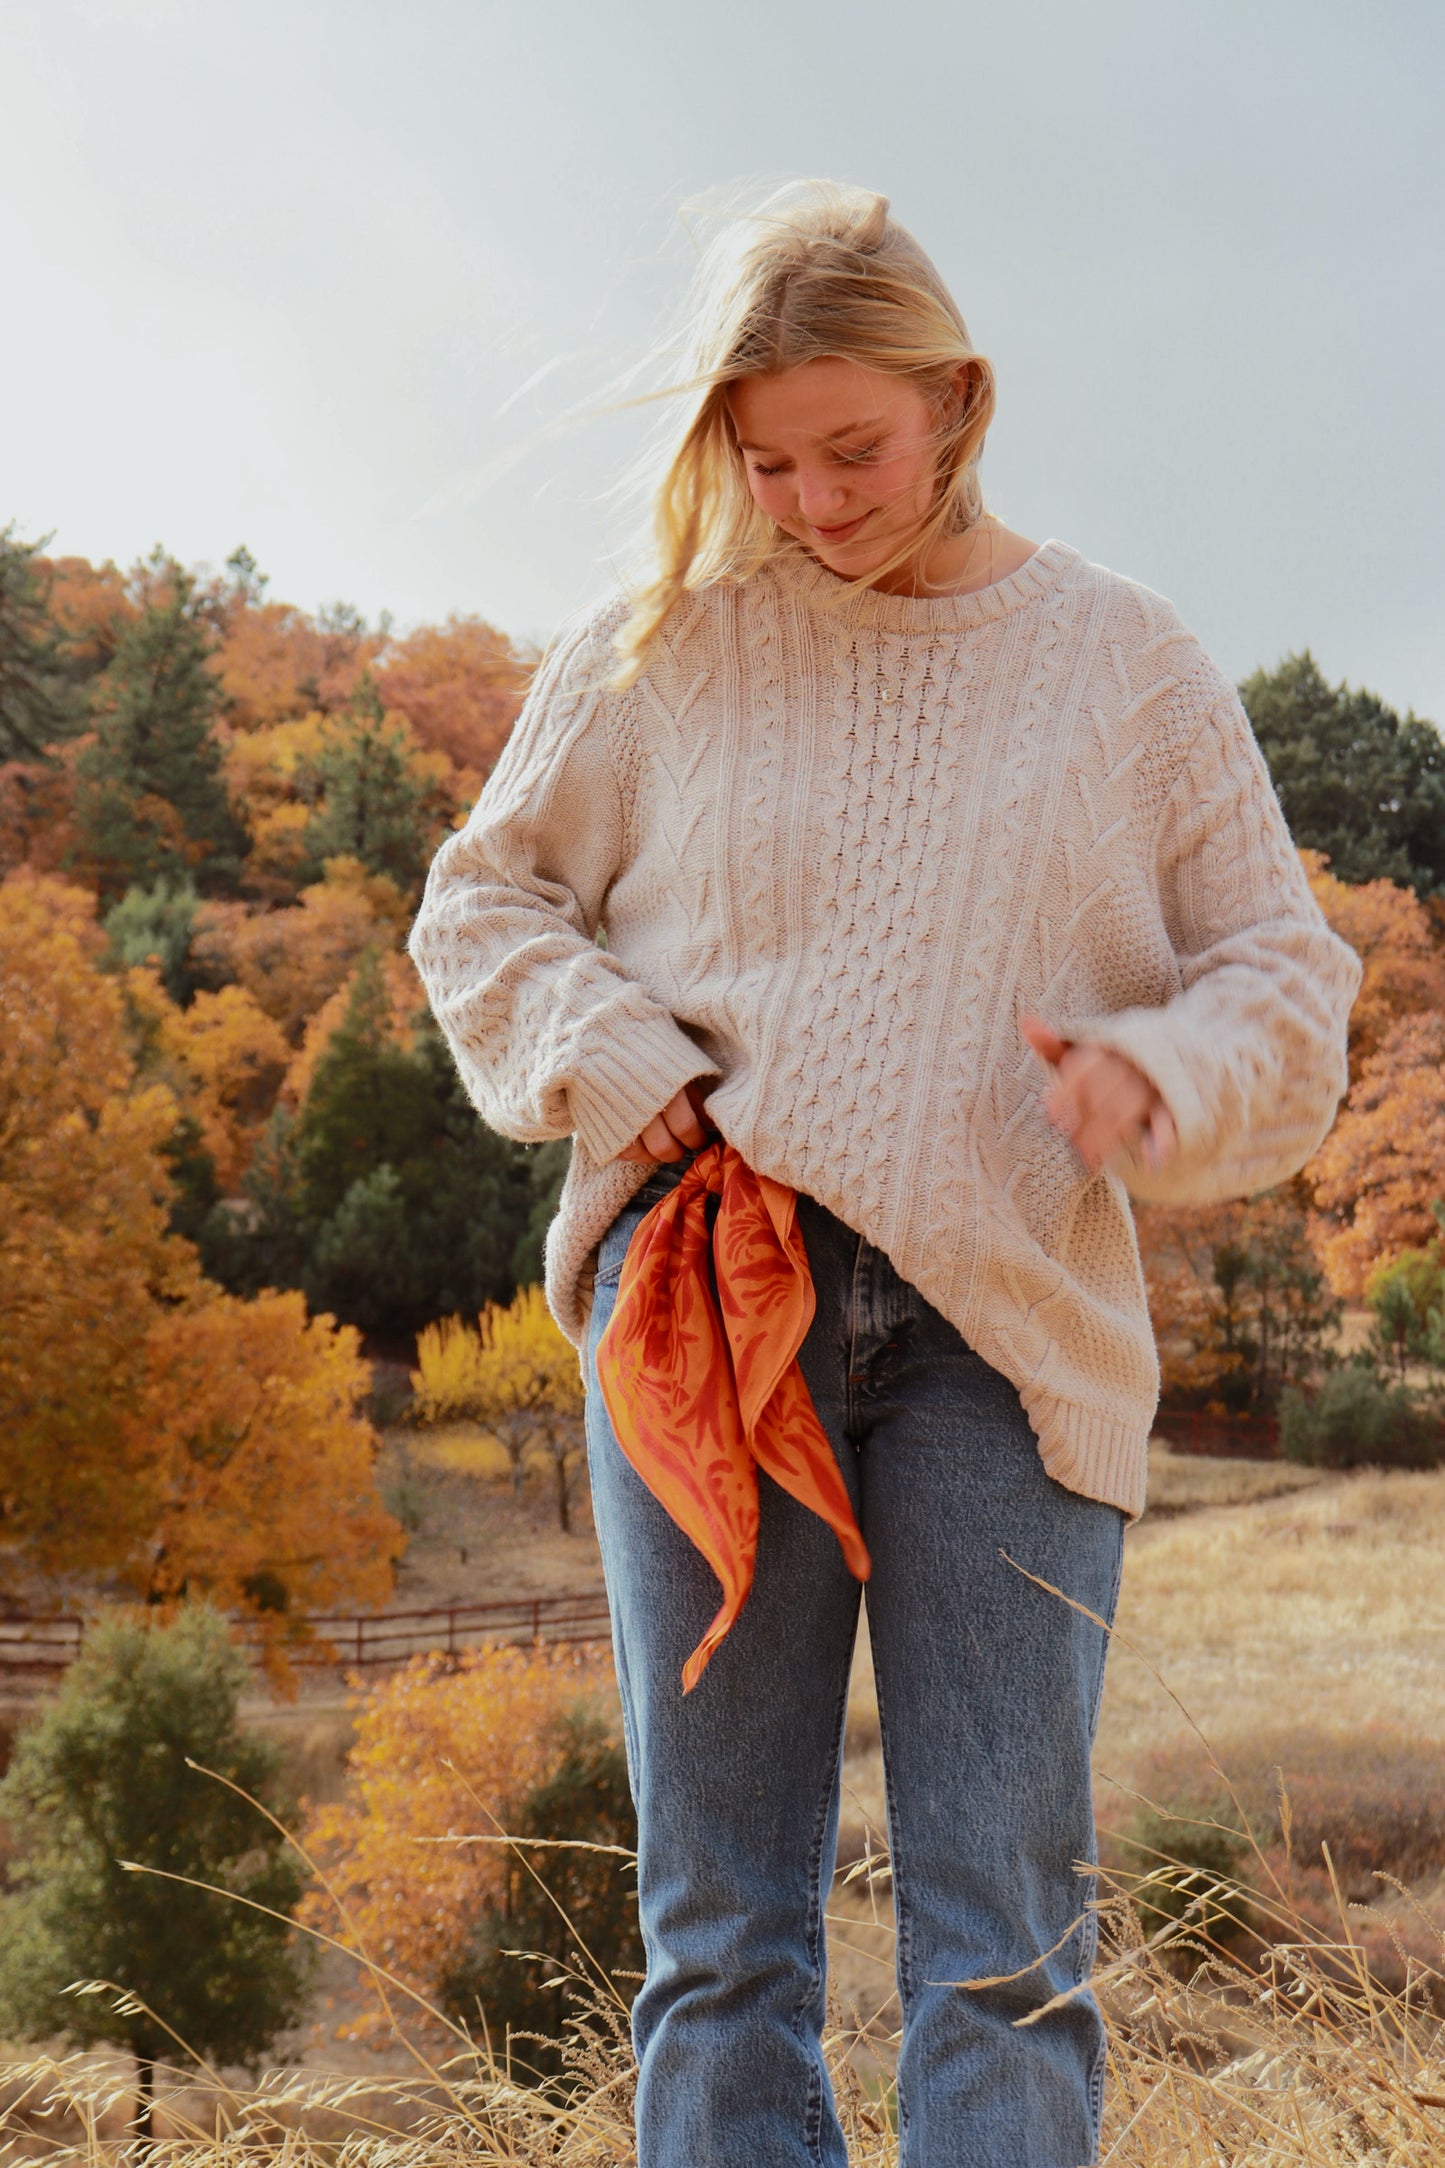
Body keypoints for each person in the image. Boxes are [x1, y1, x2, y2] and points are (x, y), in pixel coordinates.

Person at [408, 182, 1360, 2168]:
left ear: (958, 399)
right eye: (769, 462)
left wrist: (1161, 1066)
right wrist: (610, 1052)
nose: (818, 502)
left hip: (999, 1344)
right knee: (718, 1936)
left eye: (855, 448)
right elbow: (483, 905)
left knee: (1001, 1942)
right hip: (704, 1314)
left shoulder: (1121, 665)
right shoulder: (659, 644)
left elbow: (1285, 980)